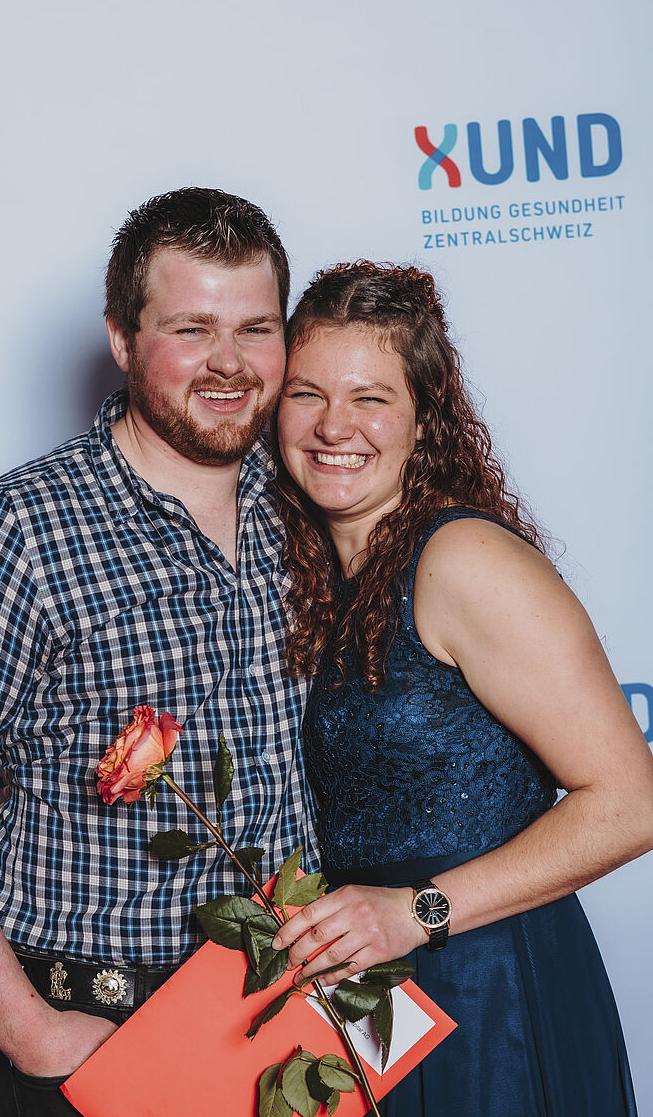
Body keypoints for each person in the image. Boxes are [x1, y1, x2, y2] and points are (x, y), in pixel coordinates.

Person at [0, 187, 318, 1116]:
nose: (230, 363)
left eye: (256, 329)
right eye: (192, 328)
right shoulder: (17, 529)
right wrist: (24, 1027)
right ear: (122, 339)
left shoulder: (309, 503)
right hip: (101, 1030)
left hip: (290, 1021)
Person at [271, 260, 653, 1116]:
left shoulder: (460, 559)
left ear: (423, 418)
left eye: (370, 397)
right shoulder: (315, 573)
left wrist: (418, 913)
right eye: (307, 394)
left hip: (490, 984)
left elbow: (633, 802)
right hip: (376, 993)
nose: (334, 425)